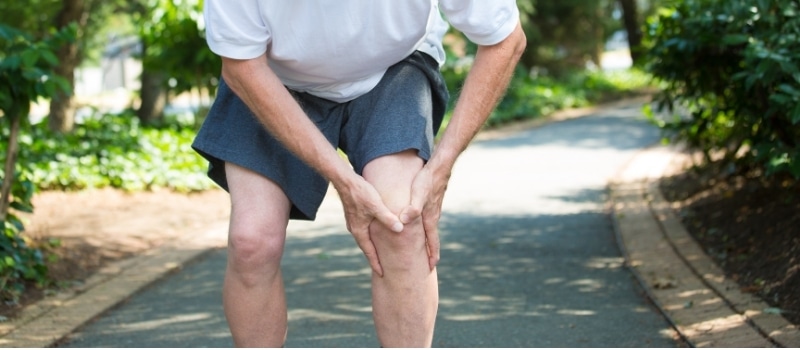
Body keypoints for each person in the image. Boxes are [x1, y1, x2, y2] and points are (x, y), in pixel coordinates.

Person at [192, 1, 526, 347]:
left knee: (400, 223)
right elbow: (242, 66)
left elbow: (506, 39)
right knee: (253, 243)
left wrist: (441, 166)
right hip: (272, 79)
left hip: (392, 66)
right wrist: (344, 180)